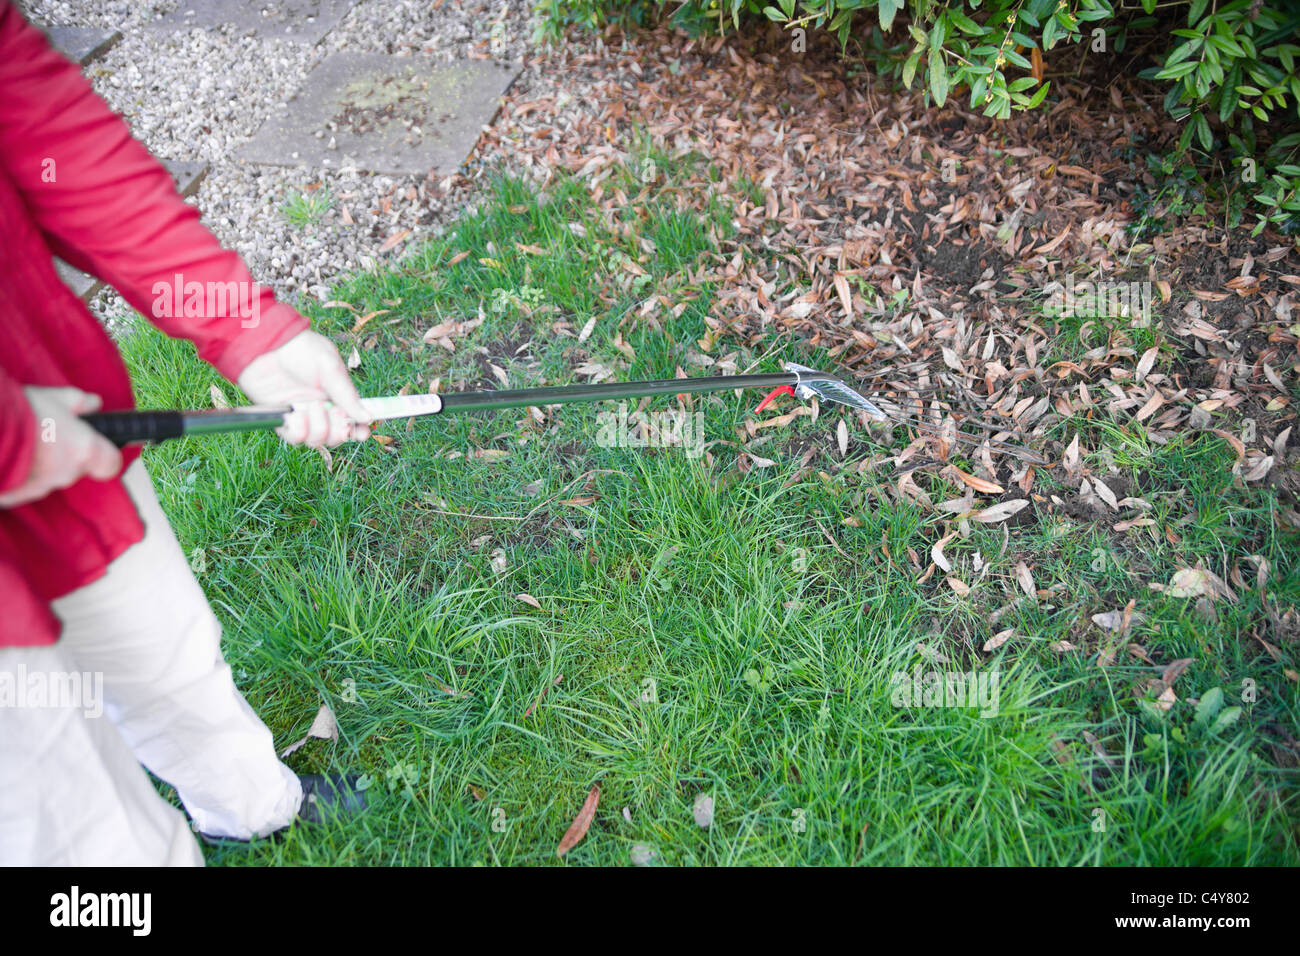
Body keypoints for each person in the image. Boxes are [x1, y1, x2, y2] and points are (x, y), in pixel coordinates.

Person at [0, 0, 372, 865]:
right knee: (70, 822)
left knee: (164, 648)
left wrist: (249, 328)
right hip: (41, 434)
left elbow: (44, 129)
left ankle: (253, 807)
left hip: (65, 427)